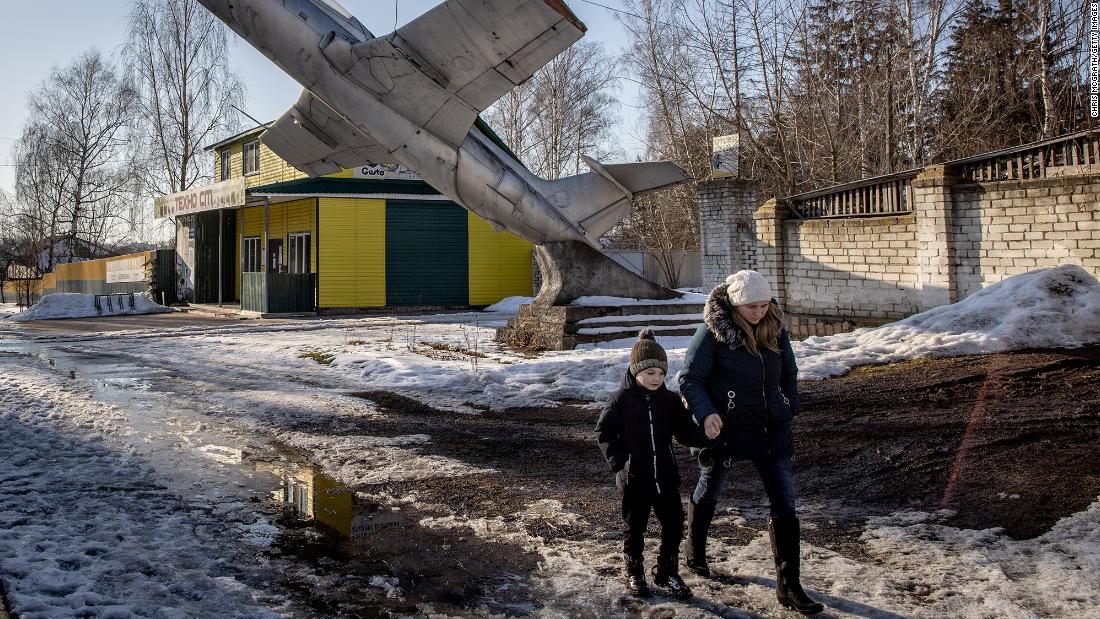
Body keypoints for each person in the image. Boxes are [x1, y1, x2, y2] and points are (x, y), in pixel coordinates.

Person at [677, 270, 824, 615]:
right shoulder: (712, 334)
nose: (759, 312)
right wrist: (708, 414)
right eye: (751, 307)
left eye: (764, 305)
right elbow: (690, 380)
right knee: (710, 487)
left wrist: (789, 403)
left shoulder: (776, 328)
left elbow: (789, 372)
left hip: (773, 428)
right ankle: (694, 549)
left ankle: (790, 585)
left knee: (785, 503)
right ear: (734, 304)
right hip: (727, 431)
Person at [596, 329, 704, 599]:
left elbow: (684, 431)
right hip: (635, 478)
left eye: (661, 373)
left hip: (665, 476)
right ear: (635, 372)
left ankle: (667, 570)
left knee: (674, 523)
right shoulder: (620, 400)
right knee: (635, 526)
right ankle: (634, 571)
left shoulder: (669, 401)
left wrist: (707, 436)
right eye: (649, 373)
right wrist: (621, 461)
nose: (656, 379)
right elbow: (604, 433)